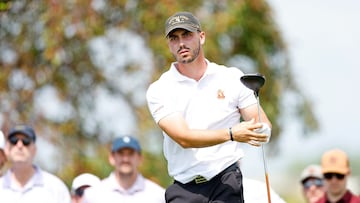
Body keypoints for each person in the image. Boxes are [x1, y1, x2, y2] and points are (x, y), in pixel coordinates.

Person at [146, 11, 272, 203]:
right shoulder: (160, 89)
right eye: (174, 38)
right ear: (169, 44)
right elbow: (184, 138)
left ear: (201, 37)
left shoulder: (231, 78)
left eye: (187, 35)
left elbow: (259, 122)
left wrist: (262, 129)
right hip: (184, 187)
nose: (181, 43)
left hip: (225, 181)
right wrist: (231, 134)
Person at [0, 124, 71, 203]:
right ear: (7, 148)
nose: (19, 145)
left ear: (34, 149)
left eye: (26, 141)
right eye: (14, 141)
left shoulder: (56, 188)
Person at [83, 135, 165, 203]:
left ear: (140, 158)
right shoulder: (93, 195)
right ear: (111, 158)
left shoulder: (158, 195)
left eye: (131, 154)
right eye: (120, 153)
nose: (125, 159)